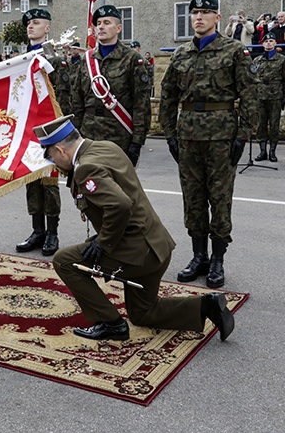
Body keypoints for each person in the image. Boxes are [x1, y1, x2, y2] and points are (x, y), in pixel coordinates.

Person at [36, 115, 234, 342]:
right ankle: (206, 306)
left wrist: (103, 242)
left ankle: (111, 323)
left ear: (60, 150)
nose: (53, 162)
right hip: (157, 246)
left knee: (64, 260)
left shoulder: (85, 168)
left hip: (139, 253)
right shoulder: (106, 147)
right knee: (142, 313)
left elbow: (120, 204)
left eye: (51, 156)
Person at [159, 0, 257, 289]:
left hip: (221, 136)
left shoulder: (234, 51)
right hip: (188, 136)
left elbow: (250, 95)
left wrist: (243, 135)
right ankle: (198, 256)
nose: (198, 17)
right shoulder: (181, 55)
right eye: (194, 13)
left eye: (205, 12)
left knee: (220, 199)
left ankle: (217, 259)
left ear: (217, 17)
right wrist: (169, 134)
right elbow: (167, 97)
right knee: (193, 199)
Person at [69, 4, 151, 166]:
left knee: (116, 187)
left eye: (107, 23)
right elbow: (77, 101)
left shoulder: (132, 59)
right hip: (88, 134)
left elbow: (141, 104)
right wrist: (74, 135)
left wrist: (137, 142)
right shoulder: (86, 60)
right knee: (87, 185)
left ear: (118, 28)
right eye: (98, 23)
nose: (101, 27)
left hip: (119, 135)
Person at [15, 8, 62, 256]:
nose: (30, 27)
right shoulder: (20, 60)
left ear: (47, 28)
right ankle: (37, 230)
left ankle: (52, 233)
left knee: (48, 181)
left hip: (50, 127)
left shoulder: (54, 58)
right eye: (28, 24)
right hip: (28, 127)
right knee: (31, 179)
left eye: (36, 23)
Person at [252, 33, 285, 162]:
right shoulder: (257, 60)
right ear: (263, 44)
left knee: (274, 125)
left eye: (271, 41)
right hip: (260, 96)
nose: (268, 43)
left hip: (275, 96)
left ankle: (272, 152)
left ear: (275, 43)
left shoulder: (281, 60)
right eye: (266, 41)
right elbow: (252, 79)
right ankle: (262, 151)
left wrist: (284, 99)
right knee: (261, 125)